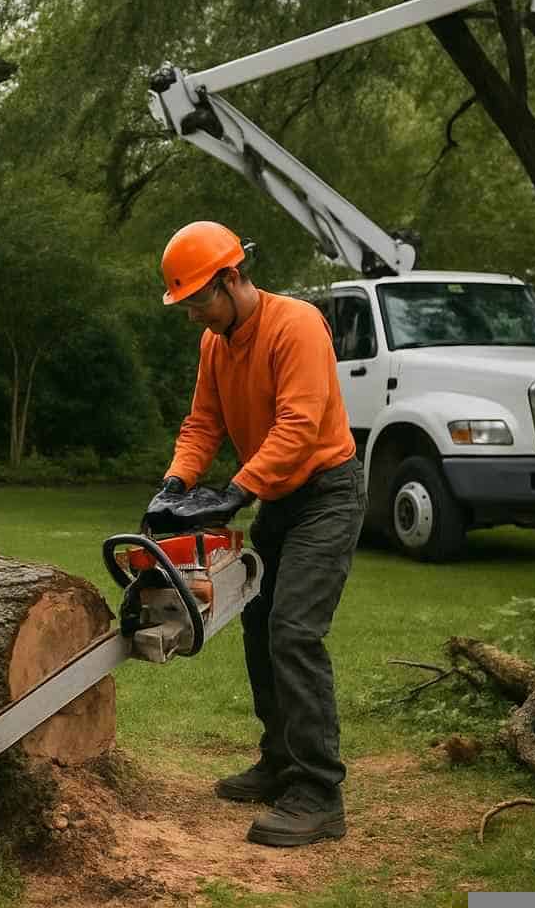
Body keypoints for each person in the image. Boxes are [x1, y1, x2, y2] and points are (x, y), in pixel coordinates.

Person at [146, 219, 364, 848]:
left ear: (232, 277)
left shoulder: (295, 325)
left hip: (326, 492)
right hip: (279, 497)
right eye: (184, 305)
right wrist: (176, 487)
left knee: (295, 629)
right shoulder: (216, 344)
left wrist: (237, 491)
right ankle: (281, 759)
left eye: (197, 302)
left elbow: (299, 424)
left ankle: (321, 793)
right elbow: (203, 423)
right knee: (257, 618)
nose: (192, 317)